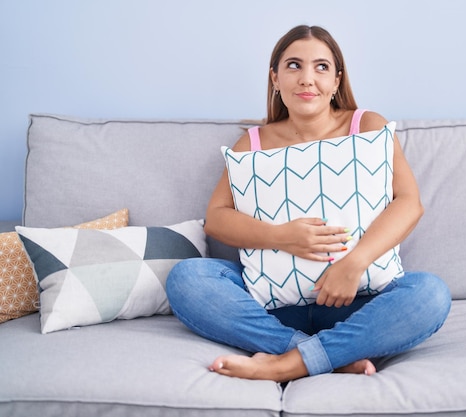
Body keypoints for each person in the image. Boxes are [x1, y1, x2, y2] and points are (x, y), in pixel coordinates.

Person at [166, 25, 451, 382]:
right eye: (293, 66)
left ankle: (287, 364)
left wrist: (354, 265)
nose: (307, 79)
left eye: (320, 67)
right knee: (187, 278)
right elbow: (217, 220)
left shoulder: (367, 126)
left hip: (358, 306)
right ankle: (323, 353)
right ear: (275, 78)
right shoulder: (252, 144)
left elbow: (409, 203)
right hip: (274, 312)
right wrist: (282, 237)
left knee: (430, 295)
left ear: (336, 81)